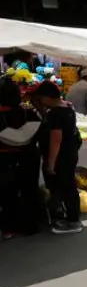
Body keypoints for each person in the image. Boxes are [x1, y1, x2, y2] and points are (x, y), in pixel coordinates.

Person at [27, 81, 83, 234]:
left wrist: (51, 163)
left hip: (60, 157)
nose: (41, 102)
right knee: (69, 186)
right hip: (70, 153)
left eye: (41, 98)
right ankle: (72, 218)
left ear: (46, 97)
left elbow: (55, 139)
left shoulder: (55, 114)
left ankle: (72, 221)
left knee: (64, 187)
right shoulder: (67, 107)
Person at [0, 77, 43, 238]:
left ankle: (8, 228)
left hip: (4, 160)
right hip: (28, 156)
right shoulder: (28, 112)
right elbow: (40, 132)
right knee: (29, 189)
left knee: (7, 193)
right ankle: (30, 225)